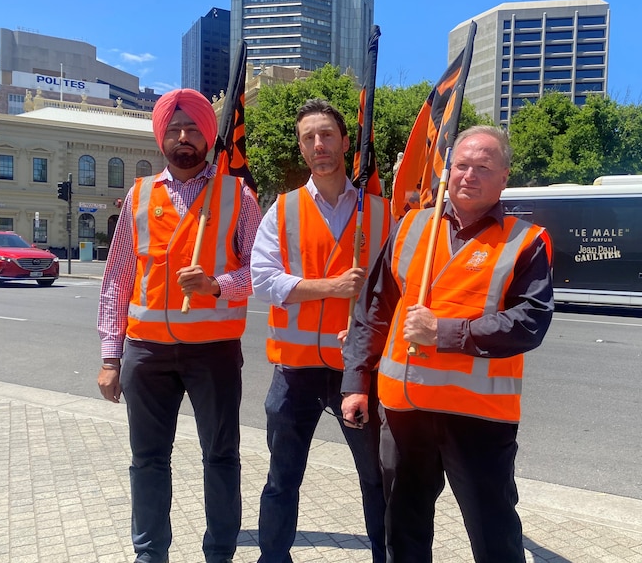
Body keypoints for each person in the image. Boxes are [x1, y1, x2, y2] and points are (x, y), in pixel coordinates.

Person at [341, 126, 555, 563]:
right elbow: (374, 309)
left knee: (494, 534)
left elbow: (530, 322)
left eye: (483, 167)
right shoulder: (411, 227)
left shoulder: (525, 242)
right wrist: (356, 381)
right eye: (461, 165)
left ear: (504, 178)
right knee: (404, 531)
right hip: (405, 412)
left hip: (479, 419)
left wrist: (444, 333)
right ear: (447, 171)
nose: (469, 175)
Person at [96, 88, 262, 563]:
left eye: (192, 128)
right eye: (174, 129)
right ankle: (150, 554)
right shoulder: (140, 196)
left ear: (208, 136)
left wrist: (216, 284)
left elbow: (260, 271)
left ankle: (220, 554)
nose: (184, 136)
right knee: (147, 462)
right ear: (161, 137)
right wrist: (111, 357)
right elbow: (117, 279)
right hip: (145, 353)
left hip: (213, 353)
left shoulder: (236, 195)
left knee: (221, 458)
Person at [251, 98, 390, 563]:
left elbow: (398, 289)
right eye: (309, 137)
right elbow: (263, 280)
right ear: (301, 148)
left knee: (377, 478)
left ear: (346, 142)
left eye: (327, 135)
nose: (318, 145)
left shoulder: (380, 213)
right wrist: (329, 286)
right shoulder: (283, 210)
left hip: (359, 372)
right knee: (282, 479)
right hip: (295, 373)